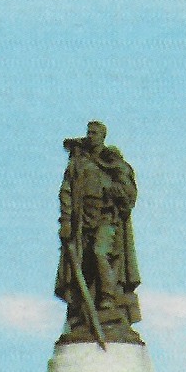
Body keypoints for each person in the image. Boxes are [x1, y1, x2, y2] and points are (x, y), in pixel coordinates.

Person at [55, 120, 143, 345]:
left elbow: (129, 192)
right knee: (83, 266)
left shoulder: (112, 162)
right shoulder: (78, 163)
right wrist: (65, 221)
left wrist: (118, 192)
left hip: (106, 218)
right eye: (89, 132)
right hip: (82, 222)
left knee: (99, 252)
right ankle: (82, 312)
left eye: (95, 132)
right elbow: (66, 192)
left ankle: (108, 299)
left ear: (103, 136)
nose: (91, 135)